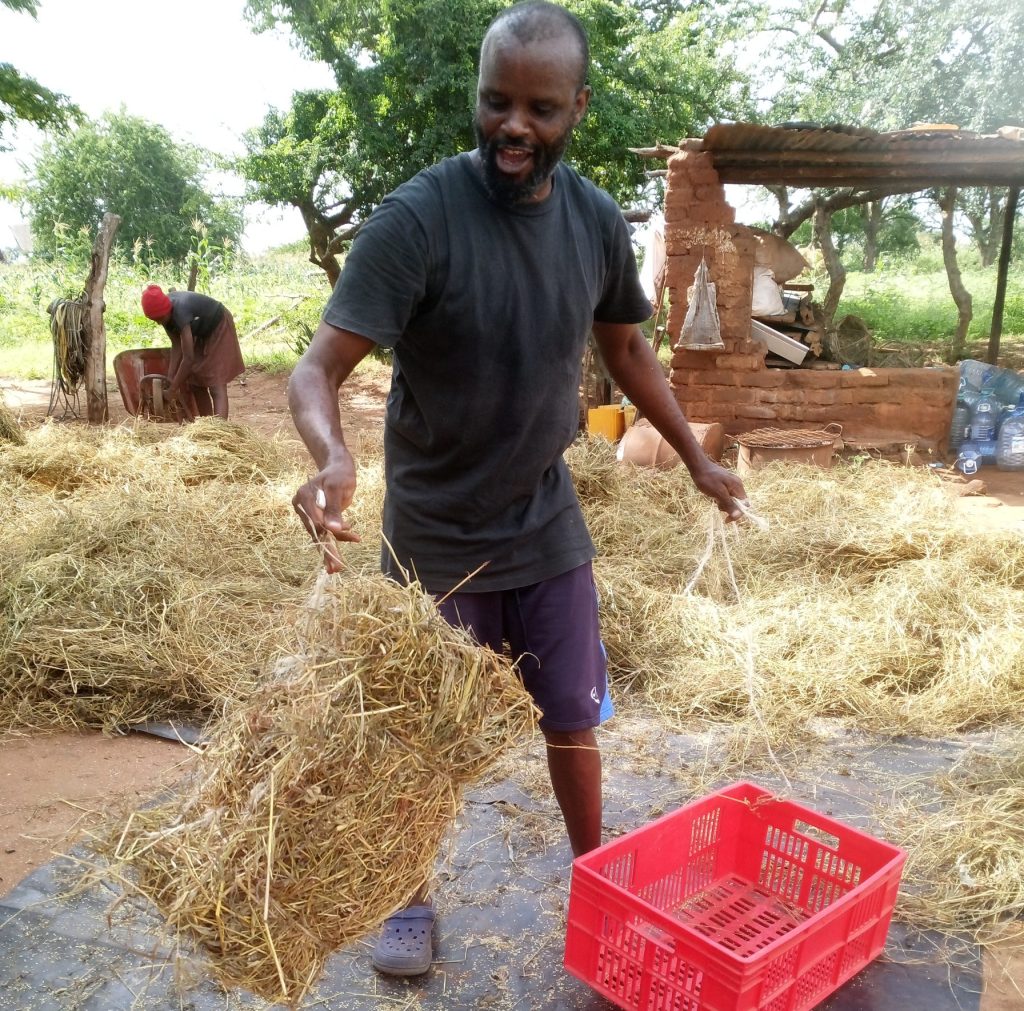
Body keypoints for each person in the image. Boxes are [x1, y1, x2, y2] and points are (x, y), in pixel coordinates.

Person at [288, 0, 747, 978]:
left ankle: (601, 883)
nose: (513, 126)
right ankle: (405, 902)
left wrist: (697, 459)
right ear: (479, 96)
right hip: (435, 536)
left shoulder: (589, 221)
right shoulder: (417, 220)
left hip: (543, 523)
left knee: (572, 717)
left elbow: (627, 350)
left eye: (539, 108)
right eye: (496, 102)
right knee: (419, 736)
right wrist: (332, 455)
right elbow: (315, 367)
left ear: (576, 106)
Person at [139, 284, 245, 420]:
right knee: (196, 382)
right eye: (155, 320)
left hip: (218, 326)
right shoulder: (166, 314)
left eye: (160, 319)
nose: (159, 323)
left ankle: (220, 431)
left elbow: (188, 358)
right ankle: (207, 427)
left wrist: (172, 390)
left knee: (216, 385)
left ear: (167, 311)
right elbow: (177, 346)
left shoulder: (180, 312)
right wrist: (170, 379)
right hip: (200, 330)